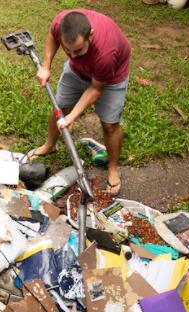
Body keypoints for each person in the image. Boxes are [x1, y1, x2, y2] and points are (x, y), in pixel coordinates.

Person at [30, 9, 131, 195]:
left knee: (110, 125)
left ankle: (113, 169)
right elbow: (52, 37)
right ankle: (49, 145)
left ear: (90, 35)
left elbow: (95, 89)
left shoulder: (106, 53)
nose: (72, 55)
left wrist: (72, 117)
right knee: (59, 108)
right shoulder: (60, 22)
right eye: (67, 50)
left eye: (78, 50)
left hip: (110, 78)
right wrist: (45, 66)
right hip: (77, 71)